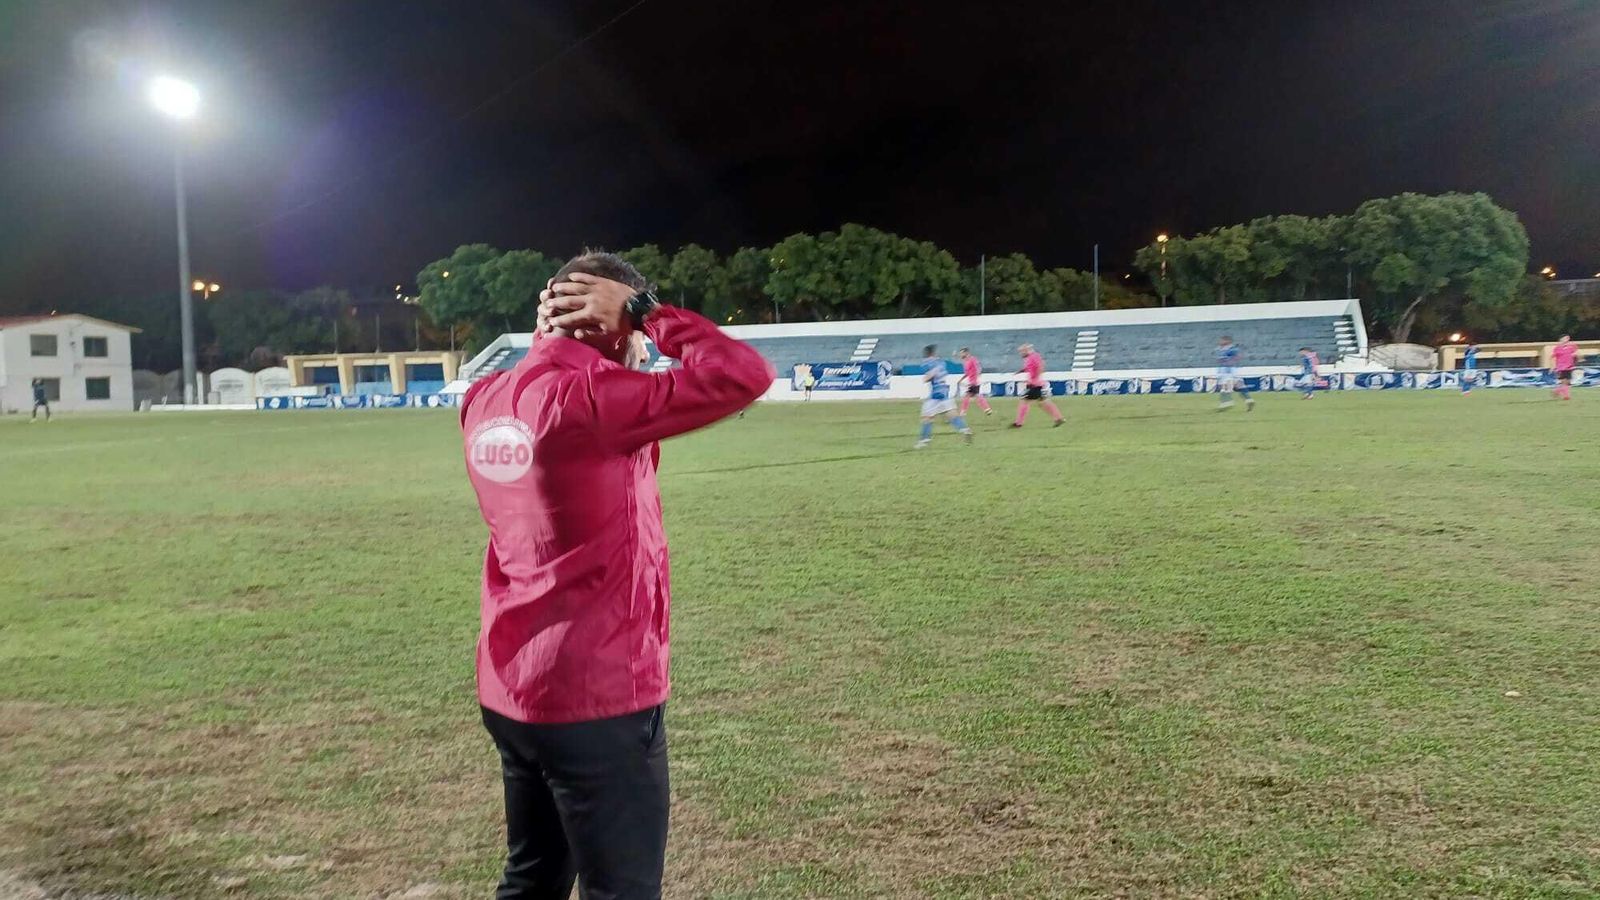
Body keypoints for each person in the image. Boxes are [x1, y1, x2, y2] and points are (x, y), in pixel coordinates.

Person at [460, 251, 772, 900]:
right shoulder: (596, 399)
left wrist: (606, 346)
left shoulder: (485, 397)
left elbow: (597, 475)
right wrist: (651, 315)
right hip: (595, 694)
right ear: (614, 321)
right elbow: (743, 375)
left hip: (512, 683)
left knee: (533, 879)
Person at [916, 344, 973, 448]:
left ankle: (924, 440)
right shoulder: (941, 363)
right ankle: (965, 430)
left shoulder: (928, 363)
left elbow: (927, 378)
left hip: (935, 395)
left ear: (926, 354)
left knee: (927, 418)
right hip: (945, 393)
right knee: (953, 415)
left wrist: (928, 376)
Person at [1010, 343, 1064, 429]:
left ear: (1026, 350)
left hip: (1034, 384)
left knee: (1025, 400)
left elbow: (1040, 366)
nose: (1020, 354)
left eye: (1021, 352)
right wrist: (1020, 371)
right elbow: (1030, 367)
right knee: (1043, 402)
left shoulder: (1034, 356)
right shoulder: (1030, 358)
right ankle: (1058, 418)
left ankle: (1018, 423)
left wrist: (1036, 377)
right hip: (1034, 384)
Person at [1215, 335, 1255, 411]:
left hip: (1227, 370)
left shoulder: (1231, 349)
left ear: (1227, 341)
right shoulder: (1221, 349)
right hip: (1232, 369)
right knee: (1239, 385)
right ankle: (1249, 400)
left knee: (1223, 385)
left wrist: (1230, 362)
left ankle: (1226, 402)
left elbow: (1238, 356)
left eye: (1222, 340)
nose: (1220, 342)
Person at [957, 347, 993, 417]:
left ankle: (963, 411)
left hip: (974, 381)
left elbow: (978, 368)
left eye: (961, 353)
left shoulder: (972, 359)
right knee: (976, 395)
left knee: (968, 395)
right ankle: (987, 409)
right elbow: (967, 373)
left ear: (966, 353)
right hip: (972, 381)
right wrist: (961, 380)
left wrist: (977, 376)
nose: (960, 355)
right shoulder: (966, 362)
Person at [1552, 334, 1580, 401]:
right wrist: (1552, 366)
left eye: (1568, 338)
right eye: (1565, 338)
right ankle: (1565, 395)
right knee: (1564, 382)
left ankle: (1558, 391)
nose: (1567, 340)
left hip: (1569, 367)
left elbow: (1577, 354)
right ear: (1560, 340)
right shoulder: (1557, 348)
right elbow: (1553, 357)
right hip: (1561, 367)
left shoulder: (1571, 347)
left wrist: (1577, 358)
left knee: (1568, 382)